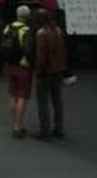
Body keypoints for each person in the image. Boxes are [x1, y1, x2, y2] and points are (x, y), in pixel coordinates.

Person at [33, 8, 68, 140]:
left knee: (43, 102)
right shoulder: (58, 30)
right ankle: (59, 128)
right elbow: (63, 51)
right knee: (57, 100)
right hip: (58, 70)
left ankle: (44, 131)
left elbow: (41, 56)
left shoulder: (41, 33)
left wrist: (39, 71)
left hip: (46, 71)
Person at [4, 6, 33, 138]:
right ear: (27, 17)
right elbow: (28, 51)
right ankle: (18, 126)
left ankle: (13, 123)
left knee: (13, 95)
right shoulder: (26, 31)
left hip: (10, 65)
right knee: (22, 96)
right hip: (23, 66)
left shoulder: (7, 28)